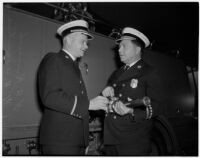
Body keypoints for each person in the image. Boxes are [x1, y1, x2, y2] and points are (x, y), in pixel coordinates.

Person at [37, 20, 109, 155]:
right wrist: (89, 104)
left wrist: (84, 141)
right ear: (68, 40)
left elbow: (78, 106)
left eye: (86, 43)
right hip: (60, 141)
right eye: (82, 41)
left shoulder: (74, 66)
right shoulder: (54, 59)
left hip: (74, 141)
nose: (86, 46)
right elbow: (50, 96)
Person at [102, 27, 163, 155]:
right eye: (119, 46)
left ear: (138, 49)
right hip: (111, 137)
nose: (119, 50)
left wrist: (131, 111)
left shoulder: (149, 72)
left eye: (124, 46)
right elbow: (112, 98)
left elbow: (158, 106)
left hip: (133, 141)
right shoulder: (117, 73)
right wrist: (107, 91)